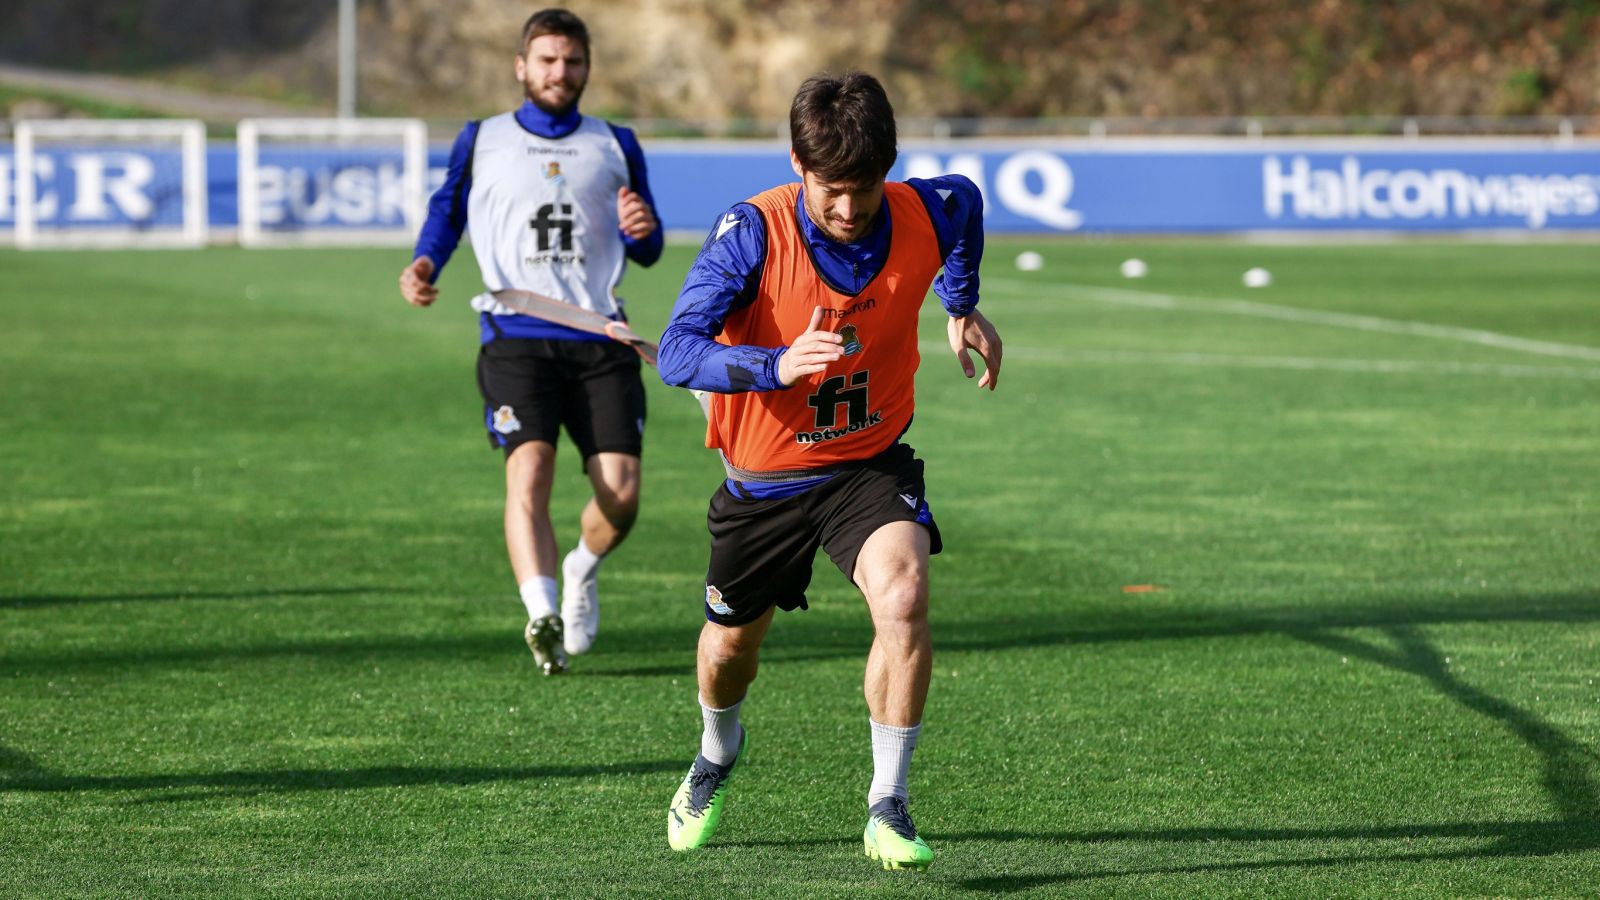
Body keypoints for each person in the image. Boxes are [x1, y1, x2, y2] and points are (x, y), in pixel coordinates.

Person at [656, 71, 1000, 870]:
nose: (848, 208)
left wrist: (959, 303)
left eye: (864, 188)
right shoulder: (751, 233)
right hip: (765, 484)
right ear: (797, 164)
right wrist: (774, 365)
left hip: (867, 466)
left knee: (904, 598)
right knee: (728, 652)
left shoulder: (925, 209)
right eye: (830, 190)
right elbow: (675, 352)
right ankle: (716, 752)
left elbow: (967, 206)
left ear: (888, 169)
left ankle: (888, 804)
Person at [398, 8, 662, 675]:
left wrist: (641, 229)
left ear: (587, 68)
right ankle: (542, 613)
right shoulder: (481, 138)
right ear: (521, 66)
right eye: (547, 60)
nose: (560, 72)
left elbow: (649, 245)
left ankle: (580, 568)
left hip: (600, 337)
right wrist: (426, 262)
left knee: (622, 495)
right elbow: (447, 211)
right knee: (530, 469)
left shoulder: (616, 142)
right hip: (515, 336)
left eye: (572, 61)